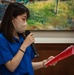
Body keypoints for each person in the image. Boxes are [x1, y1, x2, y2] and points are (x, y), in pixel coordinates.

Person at [0, 2, 56, 75]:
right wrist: (24, 45)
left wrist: (44, 63)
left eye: (26, 20)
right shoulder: (2, 39)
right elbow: (11, 67)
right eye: (23, 19)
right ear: (12, 19)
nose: (25, 23)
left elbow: (27, 66)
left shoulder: (22, 37)